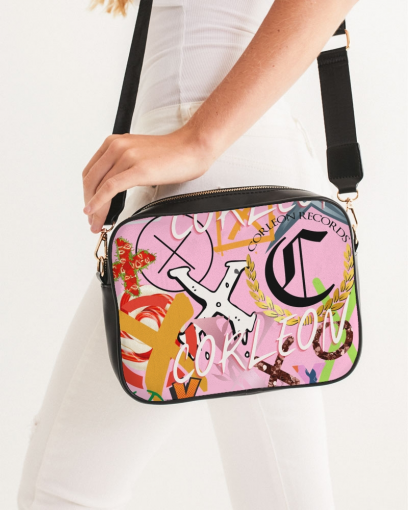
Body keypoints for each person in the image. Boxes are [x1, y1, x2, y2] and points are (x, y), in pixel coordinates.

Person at [18, 1, 359, 509]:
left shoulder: (200, 148)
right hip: (229, 177)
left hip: (210, 183)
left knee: (61, 488)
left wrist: (199, 141)